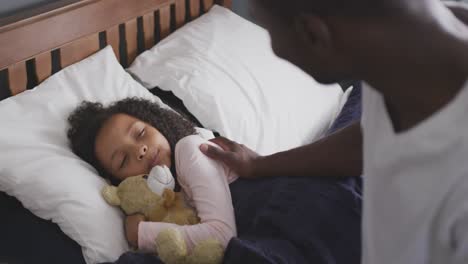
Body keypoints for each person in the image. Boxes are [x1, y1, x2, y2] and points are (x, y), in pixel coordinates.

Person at [200, 0, 468, 263]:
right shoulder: (405, 42)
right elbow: (369, 136)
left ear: (313, 34)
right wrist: (259, 165)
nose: (272, 46)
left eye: (269, 30)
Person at [66, 97, 237, 253]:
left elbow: (223, 237)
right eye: (123, 160)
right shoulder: (159, 205)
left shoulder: (189, 149)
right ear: (119, 182)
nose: (140, 150)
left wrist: (141, 233)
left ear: (157, 124)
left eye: (141, 133)